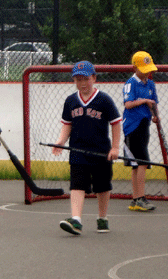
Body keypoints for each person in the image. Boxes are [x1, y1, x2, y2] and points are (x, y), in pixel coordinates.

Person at [52, 61, 122, 235]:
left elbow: (115, 123)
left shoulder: (104, 100)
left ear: (94, 78)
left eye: (86, 79)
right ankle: (76, 220)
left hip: (101, 152)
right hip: (78, 151)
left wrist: (115, 148)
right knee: (77, 185)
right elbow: (67, 124)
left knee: (103, 186)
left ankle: (102, 218)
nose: (82, 83)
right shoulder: (70, 101)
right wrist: (61, 141)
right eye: (78, 79)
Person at [123, 51, 159, 212]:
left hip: (144, 125)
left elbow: (154, 103)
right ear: (135, 67)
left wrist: (154, 115)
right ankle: (140, 198)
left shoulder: (150, 84)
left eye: (148, 69)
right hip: (132, 126)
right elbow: (128, 104)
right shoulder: (130, 83)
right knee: (142, 162)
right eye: (144, 69)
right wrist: (144, 100)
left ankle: (135, 199)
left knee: (137, 164)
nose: (147, 72)